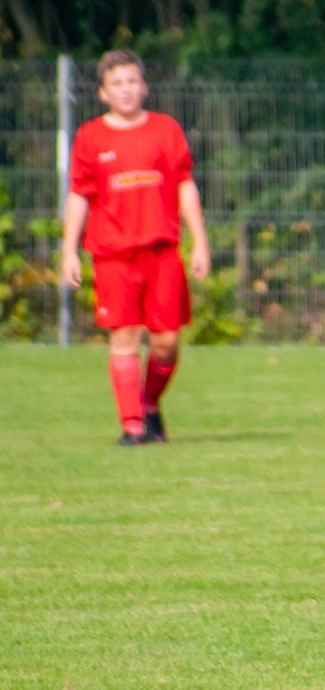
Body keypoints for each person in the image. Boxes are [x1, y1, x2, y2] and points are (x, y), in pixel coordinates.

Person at [62, 50, 211, 445]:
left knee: (166, 343)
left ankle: (148, 404)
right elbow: (80, 193)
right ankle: (132, 426)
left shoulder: (166, 130)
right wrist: (68, 249)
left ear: (144, 87)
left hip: (161, 252)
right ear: (103, 93)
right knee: (124, 337)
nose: (126, 90)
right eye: (117, 84)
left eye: (132, 82)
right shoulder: (91, 137)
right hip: (113, 254)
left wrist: (200, 240)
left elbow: (184, 184)